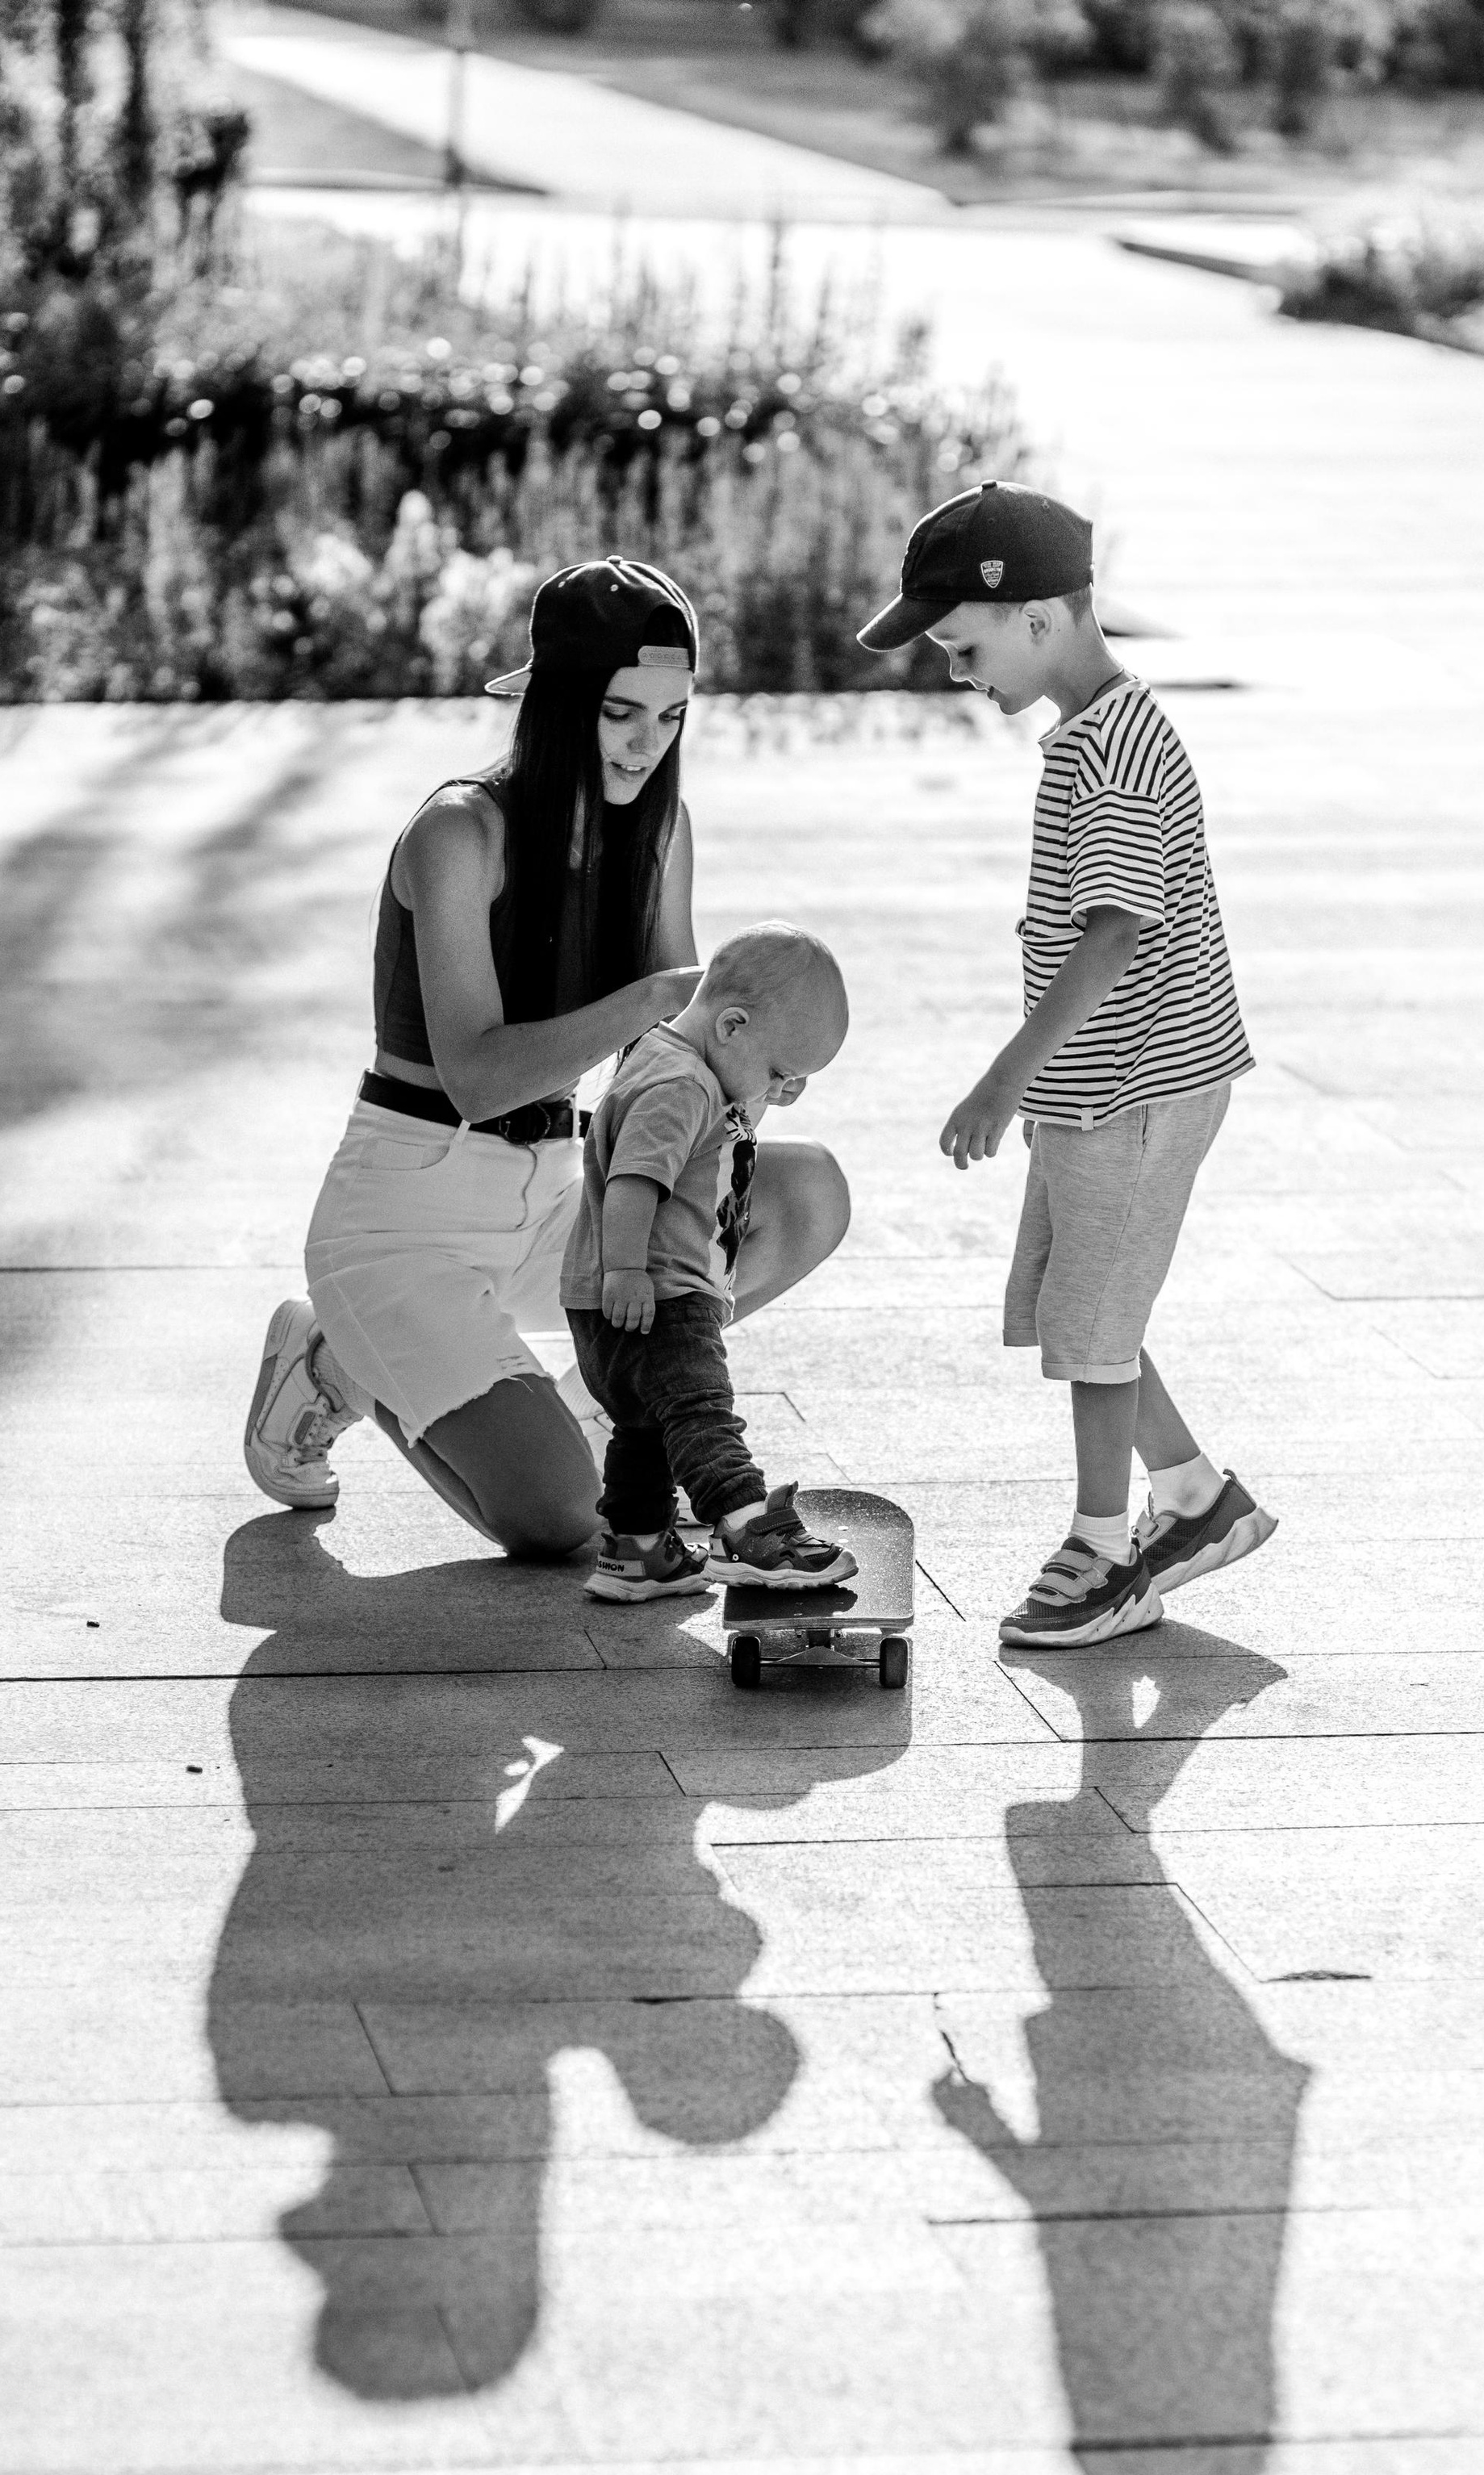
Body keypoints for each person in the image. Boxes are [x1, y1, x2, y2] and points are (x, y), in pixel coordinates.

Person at [242, 557, 851, 1558]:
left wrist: (750, 1080)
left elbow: (676, 1061)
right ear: (556, 702)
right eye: (620, 714)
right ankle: (336, 1353)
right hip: (409, 1211)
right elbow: (478, 1077)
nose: (646, 745)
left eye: (671, 717)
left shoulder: (660, 831)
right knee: (563, 1522)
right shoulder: (457, 834)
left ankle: (608, 1404)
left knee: (807, 1192)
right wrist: (660, 1000)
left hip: (564, 1191)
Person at [858, 480, 1277, 1650]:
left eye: (964, 645)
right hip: (1100, 1086)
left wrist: (1003, 1081)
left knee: (1093, 1331)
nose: (956, 671)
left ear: (1040, 618)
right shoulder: (1093, 734)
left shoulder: (1115, 758)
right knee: (1080, 1307)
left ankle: (1104, 1551)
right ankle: (1196, 1501)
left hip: (1138, 1087)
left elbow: (1114, 933)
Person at [563, 923, 855, 1603]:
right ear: (731, 1026)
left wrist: (764, 1087)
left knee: (645, 1430)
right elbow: (636, 1181)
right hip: (660, 1289)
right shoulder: (679, 1087)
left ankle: (637, 1554)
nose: (781, 1089)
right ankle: (753, 1531)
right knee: (702, 1414)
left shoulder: (684, 1063)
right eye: (780, 1072)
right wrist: (627, 1272)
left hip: (638, 1290)